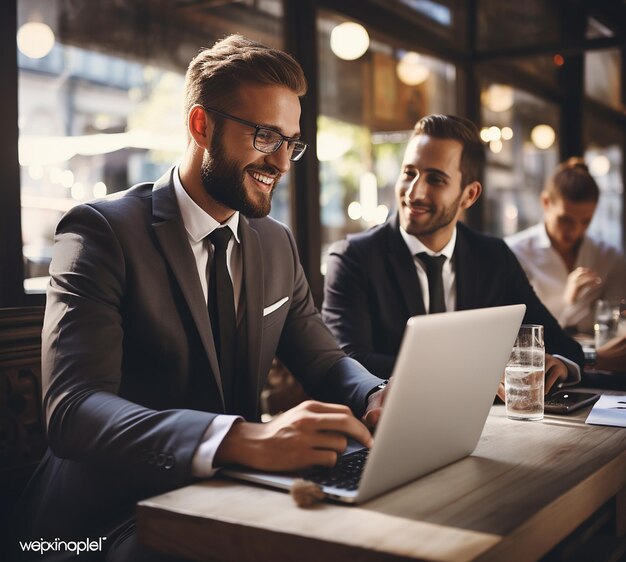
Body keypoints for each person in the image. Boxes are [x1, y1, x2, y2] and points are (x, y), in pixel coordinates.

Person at [16, 35, 386, 562]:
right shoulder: (100, 232)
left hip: (226, 496)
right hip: (104, 520)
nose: (281, 161)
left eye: (291, 141)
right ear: (200, 125)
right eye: (265, 136)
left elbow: (324, 359)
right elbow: (74, 412)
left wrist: (375, 393)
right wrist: (241, 439)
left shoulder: (275, 242)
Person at [322, 114, 584, 388]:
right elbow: (348, 361)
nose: (414, 193)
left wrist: (560, 364)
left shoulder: (494, 257)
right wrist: (470, 375)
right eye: (409, 173)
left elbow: (564, 347)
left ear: (469, 195)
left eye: (435, 179)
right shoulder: (353, 258)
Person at [506, 157, 626, 372]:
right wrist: (567, 302)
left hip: (606, 369)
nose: (575, 231)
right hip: (544, 369)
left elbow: (617, 326)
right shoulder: (514, 253)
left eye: (585, 221)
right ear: (545, 202)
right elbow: (520, 336)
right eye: (566, 220)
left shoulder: (610, 257)